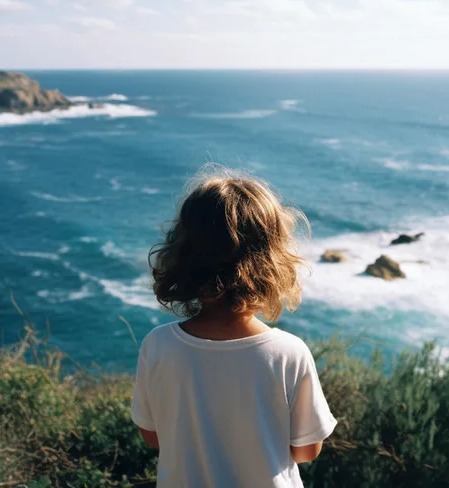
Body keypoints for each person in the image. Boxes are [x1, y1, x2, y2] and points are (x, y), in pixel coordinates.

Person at [131, 169, 337, 487]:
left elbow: (152, 434)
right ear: (271, 262)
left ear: (184, 256)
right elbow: (307, 449)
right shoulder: (288, 353)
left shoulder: (158, 345)